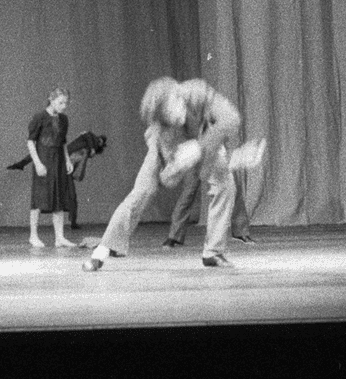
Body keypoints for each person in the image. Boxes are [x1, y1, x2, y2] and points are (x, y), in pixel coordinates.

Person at [85, 77, 264, 271]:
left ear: (179, 96)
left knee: (225, 183)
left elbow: (231, 118)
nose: (175, 119)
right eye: (168, 117)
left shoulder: (197, 92)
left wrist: (222, 156)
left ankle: (213, 252)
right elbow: (168, 180)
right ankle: (104, 249)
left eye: (173, 111)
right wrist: (180, 163)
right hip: (176, 149)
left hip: (201, 140)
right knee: (142, 191)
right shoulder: (164, 129)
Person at [161, 154, 255, 249]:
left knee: (234, 188)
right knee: (188, 192)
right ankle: (174, 236)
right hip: (198, 151)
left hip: (221, 150)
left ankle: (241, 231)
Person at [27, 87, 80, 249]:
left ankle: (59, 237)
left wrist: (67, 160)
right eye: (60, 102)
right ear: (51, 99)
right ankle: (33, 236)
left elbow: (62, 141)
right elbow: (31, 142)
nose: (64, 106)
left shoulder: (63, 119)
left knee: (59, 198)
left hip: (58, 161)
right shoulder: (40, 117)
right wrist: (37, 163)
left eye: (66, 103)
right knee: (39, 198)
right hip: (44, 159)